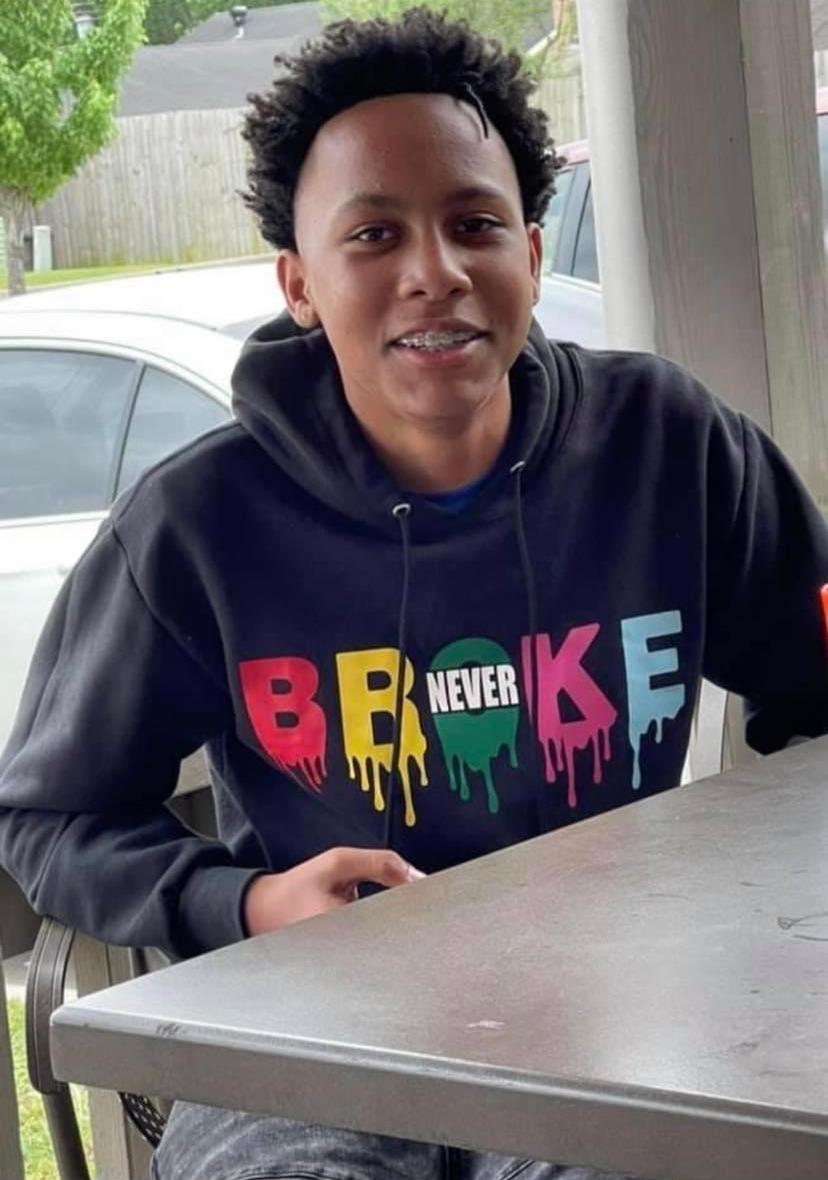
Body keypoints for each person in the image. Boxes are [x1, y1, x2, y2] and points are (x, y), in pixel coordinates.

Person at [2, 7, 827, 1178]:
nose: (433, 272)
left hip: (622, 1026)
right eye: (374, 233)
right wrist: (248, 904)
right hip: (307, 1034)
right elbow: (46, 818)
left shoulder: (670, 447)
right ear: (300, 283)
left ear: (530, 255)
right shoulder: (197, 524)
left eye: (475, 225)